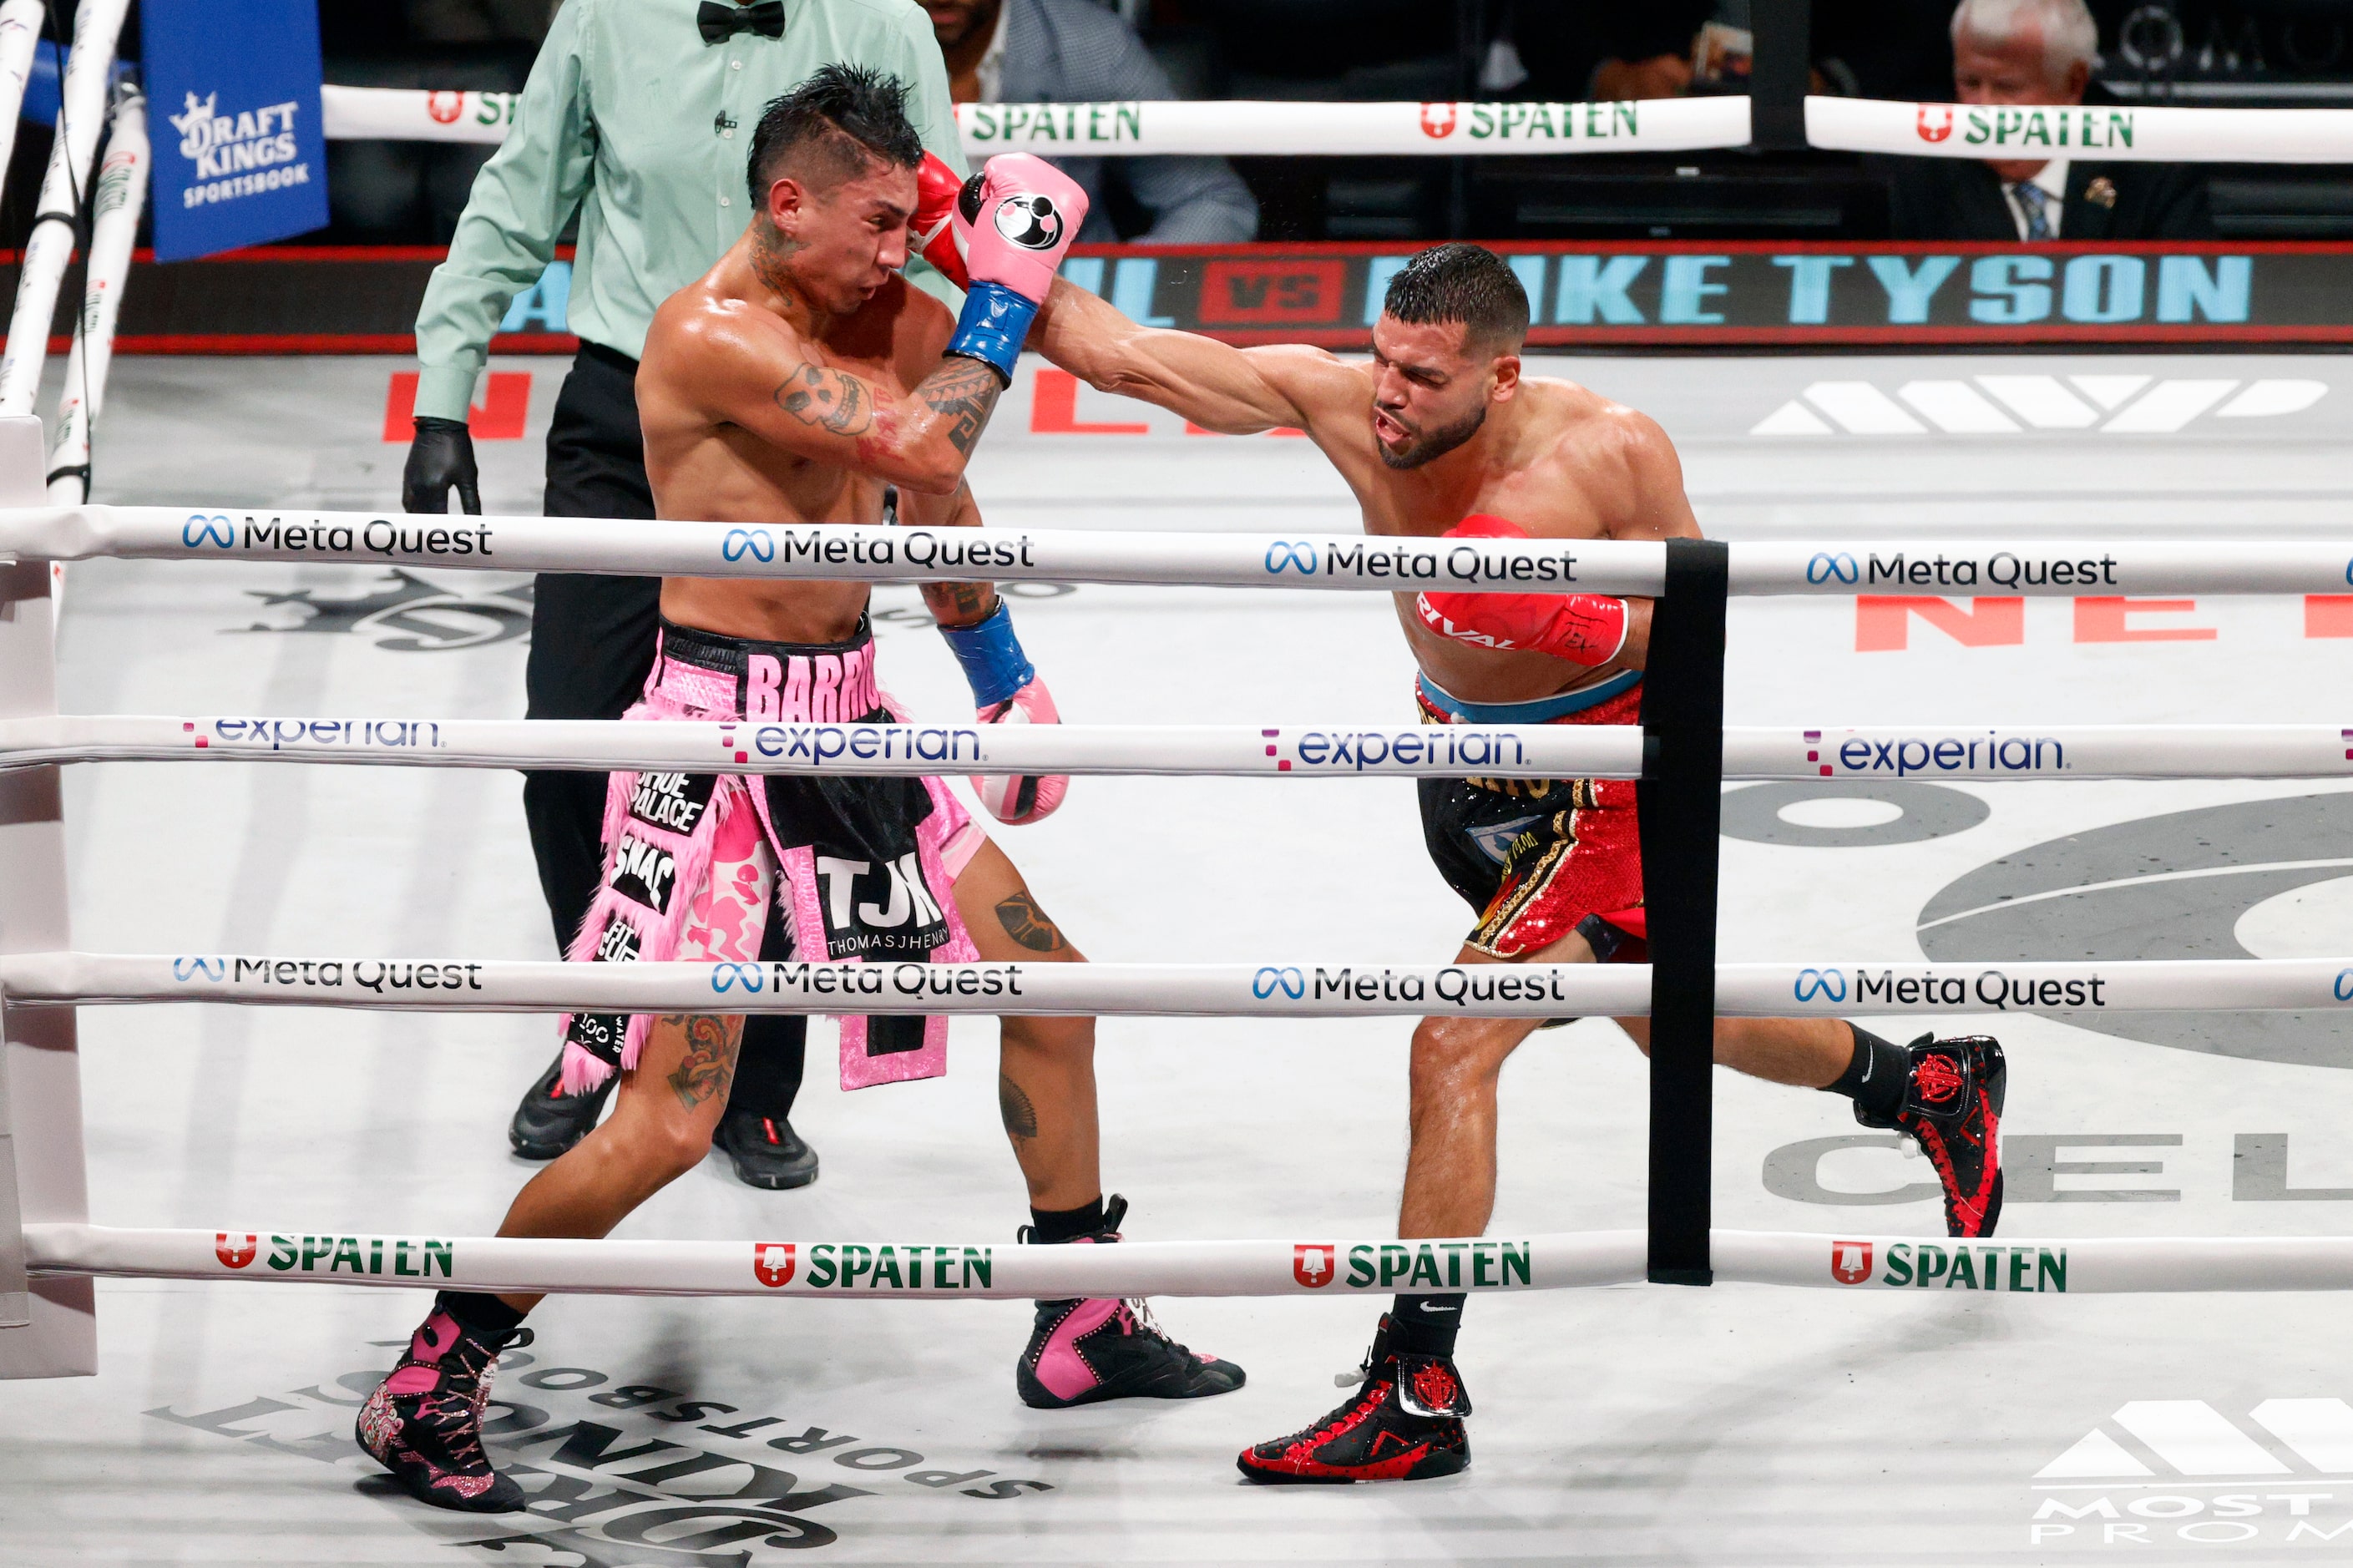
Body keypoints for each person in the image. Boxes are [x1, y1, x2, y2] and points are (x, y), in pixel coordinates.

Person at [357, 67, 1242, 1515]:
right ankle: (429, 1378)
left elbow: (938, 501)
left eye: (914, 222)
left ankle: (1079, 1311)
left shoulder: (873, 312)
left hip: (851, 725)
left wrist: (1000, 672)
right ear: (787, 204)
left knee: (1052, 991)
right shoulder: (704, 336)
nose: (903, 249)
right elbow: (924, 439)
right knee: (664, 1120)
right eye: (878, 223)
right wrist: (1008, 287)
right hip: (714, 739)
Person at [1030, 240, 2006, 1484]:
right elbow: (1125, 359)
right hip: (1464, 776)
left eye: (1422, 377)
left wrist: (1550, 603)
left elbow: (1695, 619)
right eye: (1381, 357)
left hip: (1599, 790)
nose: (1386, 392)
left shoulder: (1607, 448)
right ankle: (1928, 1085)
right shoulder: (1348, 404)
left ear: (1501, 375)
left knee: (1455, 1038)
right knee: (1665, 1017)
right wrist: (963, 234)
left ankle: (1412, 1389)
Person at [402, 0, 973, 1191]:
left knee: (785, 756)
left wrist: (917, 416)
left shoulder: (884, 25)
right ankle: (601, 1034)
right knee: (568, 737)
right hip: (630, 407)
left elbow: (929, 241)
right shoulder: (605, 17)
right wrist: (444, 389)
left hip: (807, 419)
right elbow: (519, 198)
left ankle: (750, 1086)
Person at [921, 0, 1257, 243]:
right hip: (892, 300)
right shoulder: (868, 45)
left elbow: (1212, 202)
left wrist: (1113, 297)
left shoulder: (1090, 46)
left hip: (1061, 311)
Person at [1885, 0, 2213, 241]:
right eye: (1970, 83)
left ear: (2073, 84)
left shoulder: (2152, 166)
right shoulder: (1916, 167)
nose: (1983, 108)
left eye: (2007, 87)